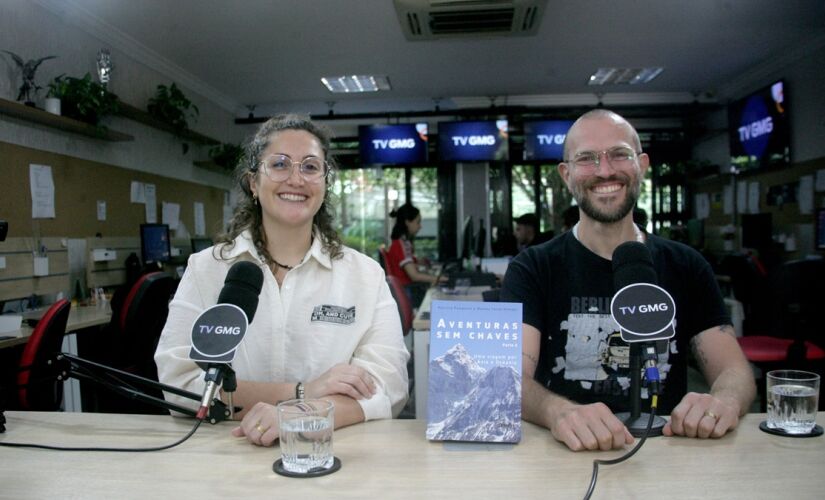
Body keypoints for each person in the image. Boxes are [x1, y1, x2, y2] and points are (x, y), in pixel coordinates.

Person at [501, 109, 755, 452]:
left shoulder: (686, 265)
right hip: (565, 452)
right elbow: (512, 378)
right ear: (566, 174)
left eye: (619, 154)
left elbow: (734, 371)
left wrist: (723, 400)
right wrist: (556, 410)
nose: (605, 170)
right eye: (587, 159)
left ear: (642, 165)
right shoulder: (533, 267)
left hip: (670, 450)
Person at [155, 114, 409, 447]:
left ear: (325, 183)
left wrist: (306, 411)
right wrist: (301, 393)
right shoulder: (206, 270)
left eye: (310, 167)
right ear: (253, 182)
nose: (296, 178)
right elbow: (181, 384)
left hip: (334, 461)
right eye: (279, 164)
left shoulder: (365, 275)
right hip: (224, 460)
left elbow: (389, 385)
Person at [386, 203, 442, 305]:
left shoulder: (402, 242)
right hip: (408, 292)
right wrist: (438, 278)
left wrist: (420, 262)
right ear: (407, 222)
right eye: (418, 222)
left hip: (408, 289)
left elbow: (409, 263)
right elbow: (414, 276)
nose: (420, 226)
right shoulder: (400, 244)